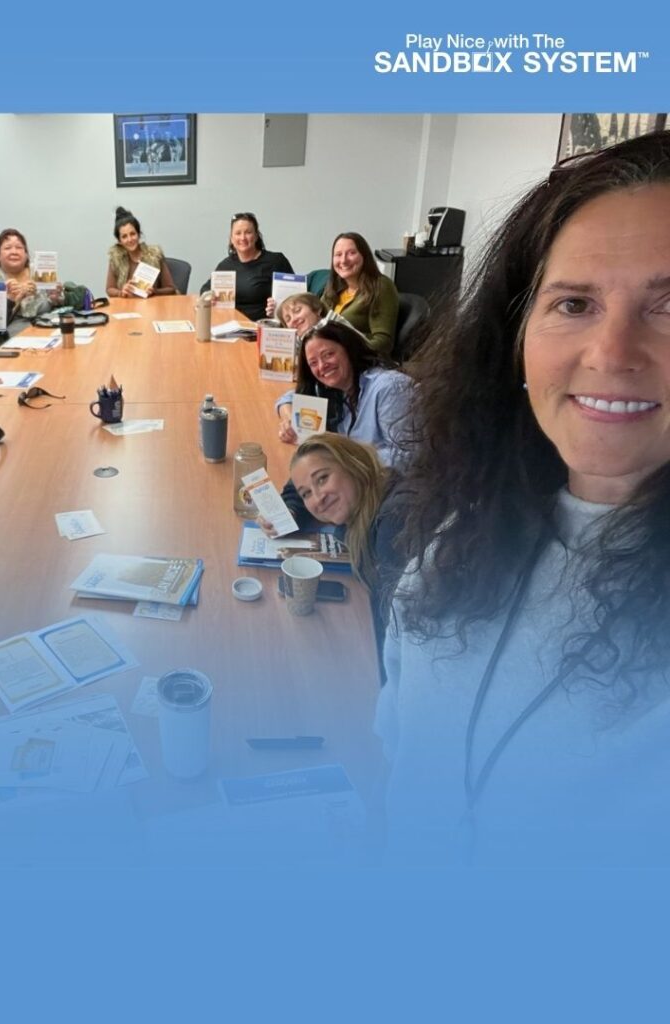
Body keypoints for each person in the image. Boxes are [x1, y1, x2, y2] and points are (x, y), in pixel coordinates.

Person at [376, 131, 670, 865]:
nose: (611, 353)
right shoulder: (459, 537)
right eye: (574, 303)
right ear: (516, 338)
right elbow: (399, 746)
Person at [262, 433, 408, 664]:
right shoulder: (373, 494)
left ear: (352, 464)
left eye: (322, 479)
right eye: (307, 493)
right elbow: (298, 480)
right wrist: (289, 512)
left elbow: (401, 629)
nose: (318, 499)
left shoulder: (394, 525)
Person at [274, 315, 412, 467]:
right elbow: (287, 398)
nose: (321, 366)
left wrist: (340, 456)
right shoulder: (335, 387)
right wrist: (288, 420)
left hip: (382, 485)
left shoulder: (390, 387)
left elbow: (408, 455)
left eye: (328, 355)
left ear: (349, 349)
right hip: (346, 475)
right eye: (313, 363)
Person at [319, 232, 399, 355]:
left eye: (351, 253)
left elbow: (383, 343)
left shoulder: (380, 286)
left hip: (357, 362)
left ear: (364, 256)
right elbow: (316, 317)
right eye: (338, 255)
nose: (344, 260)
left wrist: (343, 351)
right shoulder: (334, 287)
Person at [0, 228, 65, 335]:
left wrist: (56, 297)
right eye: (7, 248)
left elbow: (58, 304)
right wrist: (14, 298)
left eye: (19, 247)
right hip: (14, 334)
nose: (14, 252)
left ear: (26, 255)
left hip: (48, 326)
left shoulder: (39, 270)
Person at [212, 212, 293, 322]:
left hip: (262, 326)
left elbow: (295, 296)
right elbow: (207, 289)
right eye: (238, 233)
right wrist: (211, 298)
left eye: (248, 232)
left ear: (256, 236)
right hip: (231, 326)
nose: (243, 237)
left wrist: (278, 307)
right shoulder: (225, 265)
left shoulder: (276, 261)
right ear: (231, 239)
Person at [105, 207, 177, 298]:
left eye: (132, 234)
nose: (130, 239)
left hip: (152, 307)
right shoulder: (116, 258)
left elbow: (171, 289)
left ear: (139, 234)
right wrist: (121, 292)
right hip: (126, 308)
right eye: (124, 236)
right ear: (119, 241)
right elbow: (109, 289)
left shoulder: (155, 255)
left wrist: (155, 291)